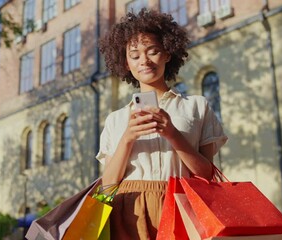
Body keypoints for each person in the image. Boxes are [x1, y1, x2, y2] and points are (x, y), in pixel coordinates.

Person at [97, 8, 228, 239]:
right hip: (128, 211)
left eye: (153, 51)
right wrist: (128, 138)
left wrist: (173, 134)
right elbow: (107, 186)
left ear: (168, 53)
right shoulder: (116, 119)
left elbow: (207, 174)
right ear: (126, 63)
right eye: (135, 55)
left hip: (182, 206)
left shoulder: (196, 106)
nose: (144, 61)